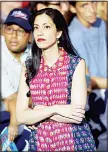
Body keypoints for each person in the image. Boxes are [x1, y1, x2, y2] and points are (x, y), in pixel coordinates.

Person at [16, 8, 96, 151]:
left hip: (75, 141)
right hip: (41, 142)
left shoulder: (76, 63)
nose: (39, 32)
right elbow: (21, 116)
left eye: (46, 27)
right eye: (36, 28)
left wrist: (38, 113)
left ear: (58, 32)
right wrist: (56, 109)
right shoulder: (28, 67)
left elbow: (77, 115)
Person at [68, 1, 107, 151]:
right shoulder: (74, 35)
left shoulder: (100, 24)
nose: (92, 9)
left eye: (94, 2)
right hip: (91, 97)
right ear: (72, 7)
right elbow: (86, 81)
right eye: (84, 5)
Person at [0, 8, 32, 151]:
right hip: (5, 117)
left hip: (25, 114)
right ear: (2, 30)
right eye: (9, 29)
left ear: (30, 36)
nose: (13, 35)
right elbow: (10, 98)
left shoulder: (35, 52)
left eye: (20, 31)